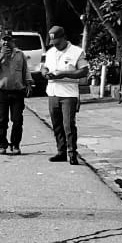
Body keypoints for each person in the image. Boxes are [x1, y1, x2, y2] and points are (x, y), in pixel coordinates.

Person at [40, 25, 91, 165]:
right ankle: (61, 151)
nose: (55, 46)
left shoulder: (77, 52)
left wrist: (64, 74)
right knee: (56, 125)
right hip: (53, 92)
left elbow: (83, 71)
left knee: (68, 124)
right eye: (53, 43)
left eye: (57, 42)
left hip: (69, 93)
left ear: (63, 38)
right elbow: (44, 66)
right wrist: (44, 72)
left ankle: (72, 152)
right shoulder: (50, 52)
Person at [0, 31, 30, 155]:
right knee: (2, 120)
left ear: (12, 42)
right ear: (0, 42)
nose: (6, 42)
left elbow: (25, 71)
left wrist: (28, 83)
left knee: (17, 120)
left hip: (17, 92)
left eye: (8, 40)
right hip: (1, 92)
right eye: (3, 40)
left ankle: (15, 144)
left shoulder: (20, 55)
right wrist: (0, 59)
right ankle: (2, 144)